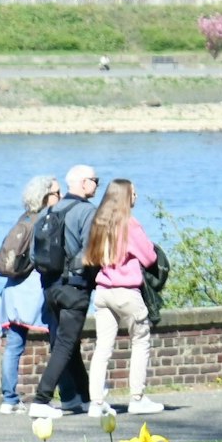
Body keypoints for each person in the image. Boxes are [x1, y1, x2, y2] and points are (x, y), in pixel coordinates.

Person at [0, 175, 74, 414]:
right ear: (46, 197)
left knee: (14, 345)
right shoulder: (47, 221)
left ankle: (9, 399)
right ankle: (65, 394)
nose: (61, 197)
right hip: (36, 291)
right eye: (57, 193)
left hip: (13, 291)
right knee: (59, 342)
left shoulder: (23, 220)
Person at [82, 178, 163, 416]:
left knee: (102, 348)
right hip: (126, 292)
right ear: (125, 198)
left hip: (103, 291)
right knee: (140, 341)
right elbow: (149, 257)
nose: (136, 197)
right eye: (133, 193)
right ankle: (137, 398)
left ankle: (96, 402)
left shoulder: (100, 222)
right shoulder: (129, 224)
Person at [27, 165, 100, 420]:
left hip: (50, 286)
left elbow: (34, 253)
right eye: (94, 180)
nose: (97, 184)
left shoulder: (49, 211)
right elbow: (92, 250)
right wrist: (87, 278)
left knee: (68, 343)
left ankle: (80, 399)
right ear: (82, 183)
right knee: (66, 344)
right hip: (74, 288)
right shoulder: (87, 212)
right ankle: (41, 399)